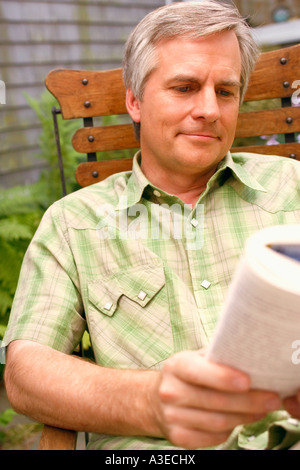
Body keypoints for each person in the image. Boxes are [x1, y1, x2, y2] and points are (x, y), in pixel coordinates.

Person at [2, 1, 300, 451]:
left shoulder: (292, 187)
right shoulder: (75, 224)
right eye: (184, 87)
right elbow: (26, 373)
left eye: (225, 91)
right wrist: (150, 402)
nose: (209, 110)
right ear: (134, 100)